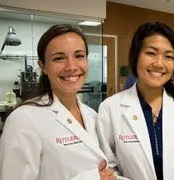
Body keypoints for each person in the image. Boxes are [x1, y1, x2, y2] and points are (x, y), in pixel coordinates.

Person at [96, 22, 174, 180]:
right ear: (136, 56)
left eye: (168, 56)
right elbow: (109, 166)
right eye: (151, 53)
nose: (159, 63)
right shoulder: (110, 109)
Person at [0, 24, 115, 180]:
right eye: (59, 58)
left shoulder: (92, 115)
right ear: (43, 67)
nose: (71, 66)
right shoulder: (24, 119)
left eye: (79, 56)